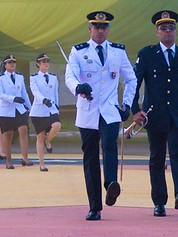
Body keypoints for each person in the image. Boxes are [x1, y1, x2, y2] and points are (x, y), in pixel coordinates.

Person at [65, 11, 136, 221]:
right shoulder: (78, 51)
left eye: (104, 27)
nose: (100, 31)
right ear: (90, 29)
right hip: (88, 110)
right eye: (96, 27)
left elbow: (131, 80)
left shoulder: (118, 52)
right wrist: (79, 87)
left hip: (110, 109)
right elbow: (69, 75)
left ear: (108, 30)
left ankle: (111, 183)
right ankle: (94, 206)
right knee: (90, 158)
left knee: (109, 143)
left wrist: (127, 104)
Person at [131, 10, 178, 216]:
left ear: (175, 31)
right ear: (157, 32)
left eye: (171, 28)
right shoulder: (147, 54)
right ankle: (159, 201)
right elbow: (135, 83)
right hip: (155, 114)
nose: (167, 32)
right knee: (157, 157)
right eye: (163, 29)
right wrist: (135, 110)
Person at [0, 54, 32, 169]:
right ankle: (8, 161)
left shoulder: (20, 77)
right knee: (8, 134)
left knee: (23, 130)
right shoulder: (0, 78)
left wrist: (29, 107)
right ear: (5, 65)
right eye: (9, 62)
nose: (12, 64)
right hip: (6, 110)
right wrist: (13, 99)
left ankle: (25, 158)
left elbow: (24, 92)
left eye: (13, 62)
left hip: (19, 109)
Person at [29, 53, 62, 172]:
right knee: (40, 136)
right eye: (43, 62)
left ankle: (48, 140)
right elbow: (35, 92)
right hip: (39, 110)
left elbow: (55, 93)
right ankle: (41, 164)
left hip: (51, 109)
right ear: (38, 64)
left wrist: (56, 106)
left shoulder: (53, 77)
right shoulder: (34, 78)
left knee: (57, 125)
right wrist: (44, 100)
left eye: (47, 61)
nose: (46, 63)